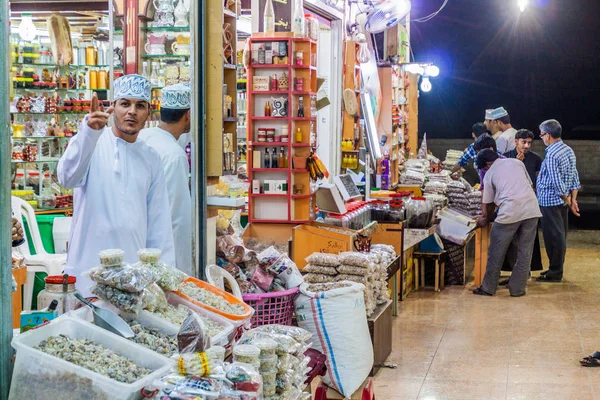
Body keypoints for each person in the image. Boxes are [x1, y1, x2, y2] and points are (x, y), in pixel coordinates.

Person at [57, 74, 175, 296]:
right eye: (125, 104)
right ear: (113, 108)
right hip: (87, 265)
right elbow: (66, 178)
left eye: (140, 105)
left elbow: (159, 223)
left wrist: (164, 278)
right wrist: (89, 133)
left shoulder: (151, 158)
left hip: (133, 271)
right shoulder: (91, 142)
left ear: (149, 113)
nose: (132, 111)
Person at [472, 150, 542, 297]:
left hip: (510, 211)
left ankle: (488, 288)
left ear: (487, 164)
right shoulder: (517, 162)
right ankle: (518, 289)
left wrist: (486, 218)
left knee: (496, 251)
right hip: (532, 210)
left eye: (484, 168)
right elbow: (527, 185)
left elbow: (489, 204)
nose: (484, 171)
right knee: (525, 252)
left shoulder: (490, 174)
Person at [139, 83, 192, 275]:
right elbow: (177, 218)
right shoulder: (174, 154)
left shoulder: (143, 137)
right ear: (188, 115)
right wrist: (182, 272)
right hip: (161, 254)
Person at [536, 119, 581, 283]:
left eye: (541, 135)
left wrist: (568, 201)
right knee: (560, 234)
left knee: (554, 236)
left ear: (547, 135)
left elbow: (556, 182)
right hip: (562, 201)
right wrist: (572, 199)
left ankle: (555, 272)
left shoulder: (552, 153)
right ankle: (555, 268)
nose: (541, 138)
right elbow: (575, 176)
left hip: (550, 201)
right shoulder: (567, 149)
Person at [500, 129, 544, 278]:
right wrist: (516, 163)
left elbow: (540, 180)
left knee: (528, 239)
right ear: (516, 142)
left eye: (529, 143)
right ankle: (513, 270)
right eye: (523, 142)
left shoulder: (536, 159)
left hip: (529, 204)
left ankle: (527, 270)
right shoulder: (505, 158)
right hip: (511, 203)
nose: (526, 146)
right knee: (512, 239)